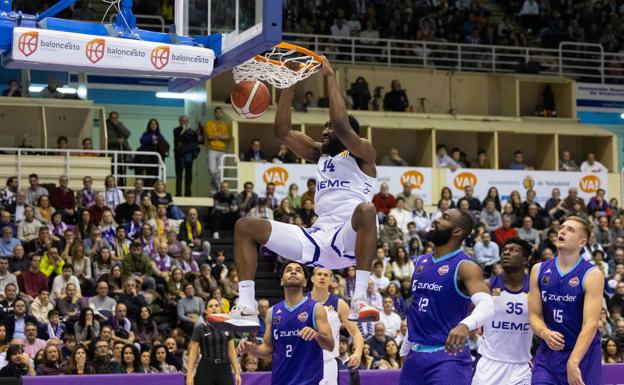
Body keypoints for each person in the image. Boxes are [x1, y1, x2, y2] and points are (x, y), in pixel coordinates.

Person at [209, 57, 379, 332]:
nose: (324, 130)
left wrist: (330, 77)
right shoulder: (320, 153)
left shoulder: (363, 153)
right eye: (324, 127)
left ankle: (360, 298)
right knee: (245, 227)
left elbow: (342, 124)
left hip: (351, 238)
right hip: (319, 238)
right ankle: (246, 308)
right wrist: (289, 83)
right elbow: (282, 131)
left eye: (329, 128)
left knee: (367, 209)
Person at [399, 208, 494, 385]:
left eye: (445, 218)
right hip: (415, 356)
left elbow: (487, 304)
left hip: (448, 357)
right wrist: (405, 349)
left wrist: (466, 324)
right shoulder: (422, 262)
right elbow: (420, 309)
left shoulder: (465, 266)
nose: (436, 220)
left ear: (457, 231)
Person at [528, 216, 603, 385]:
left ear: (582, 242)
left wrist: (573, 361)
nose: (562, 231)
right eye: (562, 227)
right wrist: (544, 332)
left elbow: (591, 324)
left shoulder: (592, 274)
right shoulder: (538, 270)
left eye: (570, 230)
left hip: (583, 354)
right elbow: (534, 315)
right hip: (549, 354)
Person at [237, 262, 334, 385]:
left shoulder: (316, 308)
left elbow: (330, 345)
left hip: (309, 381)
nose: (293, 272)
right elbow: (268, 347)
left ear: (305, 282)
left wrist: (316, 335)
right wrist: (252, 349)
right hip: (280, 381)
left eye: (298, 270)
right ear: (282, 281)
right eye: (288, 270)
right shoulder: (272, 312)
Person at [472, 238, 533, 385]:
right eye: (504, 250)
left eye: (513, 251)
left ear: (525, 259)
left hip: (520, 366)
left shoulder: (535, 289)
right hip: (488, 364)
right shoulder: (487, 285)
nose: (506, 253)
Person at [308, 268, 364, 384]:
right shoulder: (301, 300)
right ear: (312, 278)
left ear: (330, 281)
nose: (322, 277)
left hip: (328, 362)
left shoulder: (339, 304)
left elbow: (356, 332)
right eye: (319, 274)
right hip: (303, 362)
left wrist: (358, 352)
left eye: (326, 275)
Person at [185, 298, 241, 385]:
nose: (214, 308)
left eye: (216, 306)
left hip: (224, 368)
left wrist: (237, 373)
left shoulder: (227, 326)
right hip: (206, 367)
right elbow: (193, 353)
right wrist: (189, 374)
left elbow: (232, 351)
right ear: (206, 311)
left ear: (220, 309)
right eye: (210, 306)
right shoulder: (199, 329)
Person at [204, 107, 231, 194]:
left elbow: (227, 137)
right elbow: (210, 136)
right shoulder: (209, 123)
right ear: (214, 113)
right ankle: (220, 188)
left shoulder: (225, 125)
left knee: (220, 172)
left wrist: (216, 135)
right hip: (212, 149)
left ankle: (214, 190)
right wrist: (221, 136)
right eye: (217, 112)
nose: (218, 114)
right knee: (212, 169)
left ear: (222, 114)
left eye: (220, 112)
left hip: (222, 150)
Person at [173, 115, 200, 197]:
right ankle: (178, 193)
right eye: (182, 120)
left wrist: (193, 133)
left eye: (185, 120)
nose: (184, 122)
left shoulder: (192, 131)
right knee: (179, 176)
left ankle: (188, 193)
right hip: (179, 155)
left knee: (189, 175)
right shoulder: (176, 130)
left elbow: (195, 140)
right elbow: (179, 138)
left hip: (188, 155)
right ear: (179, 121)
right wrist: (186, 131)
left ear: (188, 121)